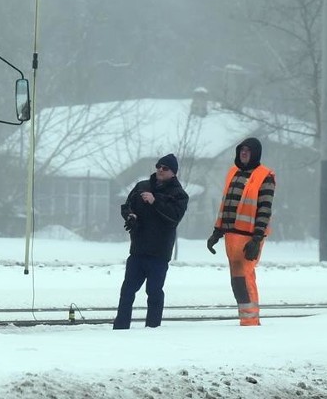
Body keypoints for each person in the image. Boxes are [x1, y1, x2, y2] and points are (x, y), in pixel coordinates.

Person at [113, 153, 189, 329]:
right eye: (158, 166)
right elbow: (127, 206)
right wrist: (130, 216)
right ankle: (120, 327)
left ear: (173, 173)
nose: (160, 170)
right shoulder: (142, 186)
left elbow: (174, 217)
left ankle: (152, 328)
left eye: (165, 168)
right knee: (127, 291)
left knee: (154, 292)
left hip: (159, 253)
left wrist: (155, 202)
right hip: (138, 249)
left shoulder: (179, 195)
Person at [206, 137, 275, 326]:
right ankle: (246, 319)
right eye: (242, 149)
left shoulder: (264, 176)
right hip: (232, 236)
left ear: (256, 153)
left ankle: (250, 322)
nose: (244, 152)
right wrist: (217, 231)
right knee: (237, 280)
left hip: (248, 238)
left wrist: (257, 238)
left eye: (248, 150)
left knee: (244, 279)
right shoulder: (233, 172)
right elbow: (227, 204)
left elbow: (264, 209)